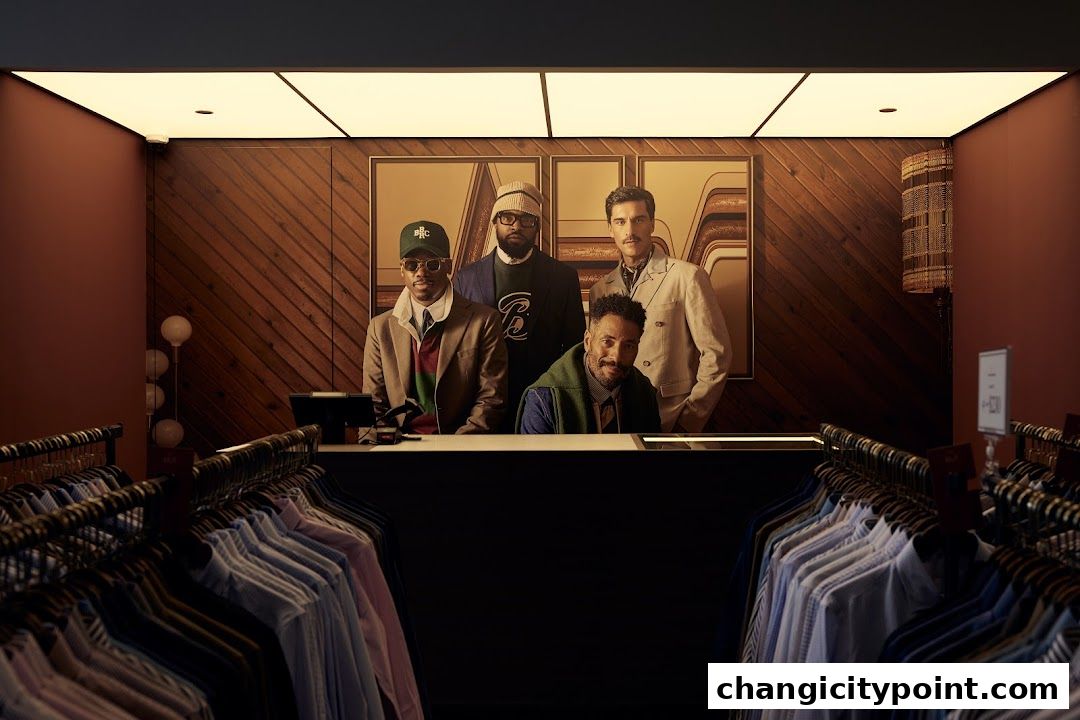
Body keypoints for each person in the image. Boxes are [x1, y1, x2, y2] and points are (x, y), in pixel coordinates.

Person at [589, 185, 732, 433]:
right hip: (618, 422)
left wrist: (688, 422)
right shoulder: (600, 290)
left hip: (671, 418)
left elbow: (717, 354)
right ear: (610, 229)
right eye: (620, 222)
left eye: (638, 220)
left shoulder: (688, 277)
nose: (630, 231)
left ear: (652, 224)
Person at [455, 180, 585, 431]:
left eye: (526, 219)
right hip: (480, 405)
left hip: (543, 401)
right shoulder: (466, 278)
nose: (516, 226)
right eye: (507, 217)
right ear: (494, 221)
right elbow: (459, 351)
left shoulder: (563, 277)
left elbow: (574, 349)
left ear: (536, 226)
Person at [363, 220, 508, 434]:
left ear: (448, 267)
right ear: (402, 269)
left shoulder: (484, 322)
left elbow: (491, 398)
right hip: (397, 447)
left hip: (461, 447)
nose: (421, 272)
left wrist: (455, 448)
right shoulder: (380, 328)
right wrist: (388, 446)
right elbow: (373, 403)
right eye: (412, 265)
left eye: (432, 264)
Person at [516, 294, 660, 434]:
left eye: (628, 346)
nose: (616, 357)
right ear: (587, 341)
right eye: (607, 342)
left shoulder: (645, 392)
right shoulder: (544, 398)